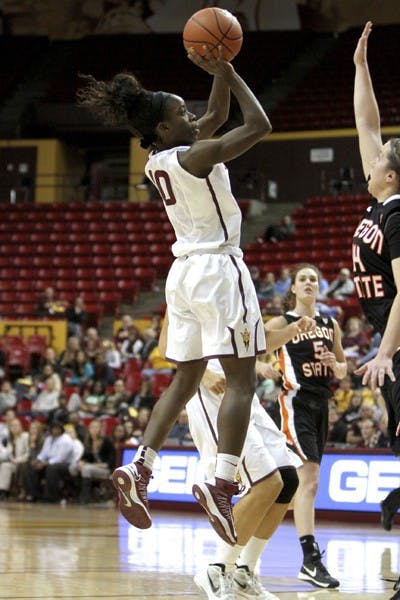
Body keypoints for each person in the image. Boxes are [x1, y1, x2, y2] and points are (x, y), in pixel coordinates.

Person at [77, 44, 271, 543]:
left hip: (182, 274)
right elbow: (257, 125)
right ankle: (223, 482)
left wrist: (218, 72)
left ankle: (141, 468)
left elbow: (217, 113)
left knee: (183, 380)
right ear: (164, 128)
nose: (192, 116)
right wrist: (229, 68)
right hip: (220, 269)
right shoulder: (198, 154)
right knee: (242, 381)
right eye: (181, 113)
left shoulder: (159, 159)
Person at [265, 263, 347, 589]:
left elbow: (342, 370)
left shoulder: (331, 324)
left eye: (314, 278)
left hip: (321, 405)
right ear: (294, 288)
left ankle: (257, 548)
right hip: (295, 403)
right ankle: (310, 559)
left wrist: (335, 365)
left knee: (299, 484)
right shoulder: (283, 322)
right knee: (309, 479)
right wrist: (261, 367)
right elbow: (252, 348)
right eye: (303, 279)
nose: (310, 282)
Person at [352, 24, 400, 567]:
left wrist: (385, 351)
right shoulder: (383, 199)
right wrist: (361, 68)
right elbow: (368, 122)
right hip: (390, 341)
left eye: (379, 157)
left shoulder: (398, 213)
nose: (370, 158)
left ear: (389, 173)